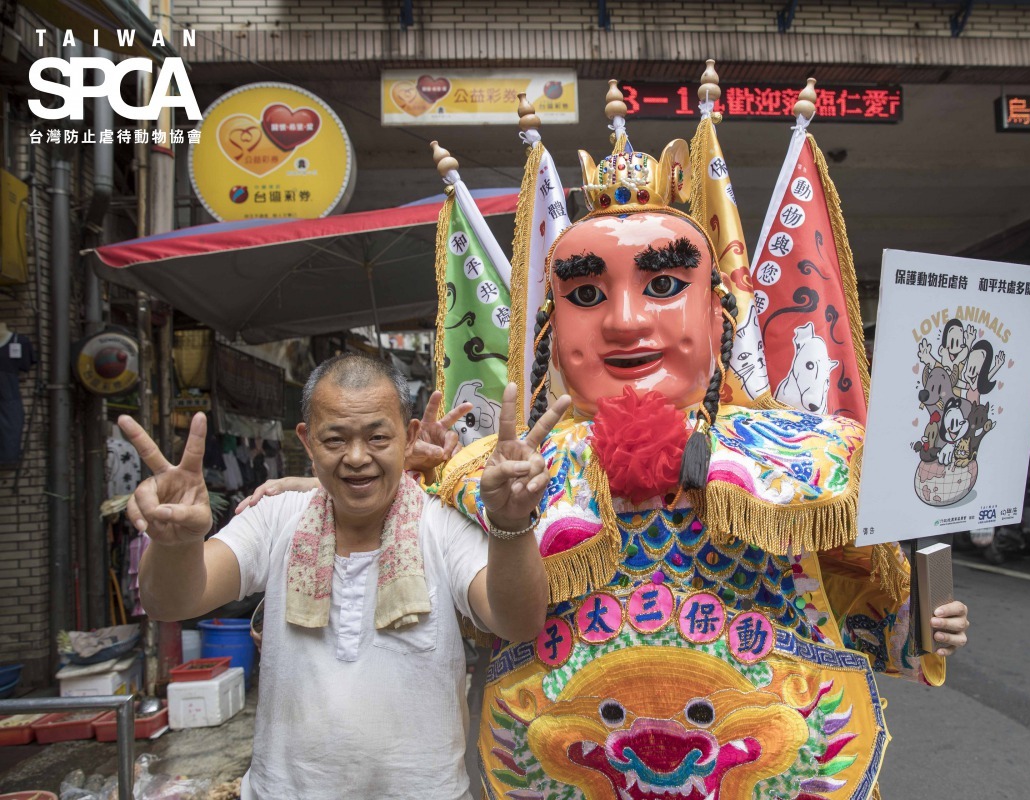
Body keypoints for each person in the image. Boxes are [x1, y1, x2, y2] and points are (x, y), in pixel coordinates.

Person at [434, 143, 970, 799]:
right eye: (586, 293)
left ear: (718, 313)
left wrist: (924, 620)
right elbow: (457, 627)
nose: (625, 322)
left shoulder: (813, 458)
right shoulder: (496, 476)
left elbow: (864, 599)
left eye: (663, 286)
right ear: (552, 327)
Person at [121, 352, 570, 799]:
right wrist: (176, 544)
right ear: (307, 441)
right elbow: (172, 602)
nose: (357, 458)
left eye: (377, 437)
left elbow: (517, 622)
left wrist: (511, 523)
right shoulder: (276, 518)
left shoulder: (441, 525)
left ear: (408, 435)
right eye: (335, 440)